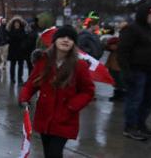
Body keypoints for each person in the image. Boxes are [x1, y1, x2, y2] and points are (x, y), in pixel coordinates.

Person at [19, 25, 95, 158]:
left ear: (74, 43)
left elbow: (88, 91)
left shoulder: (79, 65)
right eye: (62, 37)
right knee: (48, 152)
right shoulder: (43, 61)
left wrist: (72, 106)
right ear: (55, 40)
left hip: (64, 118)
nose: (66, 40)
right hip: (44, 116)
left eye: (70, 38)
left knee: (54, 153)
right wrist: (24, 97)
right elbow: (31, 83)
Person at [117, 4, 151, 141]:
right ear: (144, 15)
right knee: (135, 100)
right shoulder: (132, 29)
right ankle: (130, 127)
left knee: (149, 100)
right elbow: (123, 52)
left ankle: (141, 125)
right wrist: (126, 71)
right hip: (137, 72)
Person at [7, 17, 32, 84]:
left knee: (20, 65)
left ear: (20, 24)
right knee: (13, 65)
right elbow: (8, 39)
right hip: (13, 50)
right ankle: (12, 79)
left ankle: (20, 79)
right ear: (13, 24)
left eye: (18, 23)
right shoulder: (10, 31)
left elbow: (26, 39)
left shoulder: (23, 30)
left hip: (21, 50)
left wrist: (24, 45)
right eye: (15, 23)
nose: (16, 24)